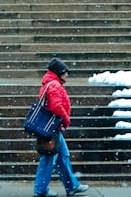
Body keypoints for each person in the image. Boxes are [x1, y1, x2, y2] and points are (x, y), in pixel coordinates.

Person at [33, 57, 89, 197]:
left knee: (62, 156)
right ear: (59, 72)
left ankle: (72, 186)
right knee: (48, 158)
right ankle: (40, 190)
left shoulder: (50, 84)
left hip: (51, 126)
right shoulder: (55, 85)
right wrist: (66, 119)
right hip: (52, 127)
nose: (67, 75)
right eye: (65, 72)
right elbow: (56, 106)